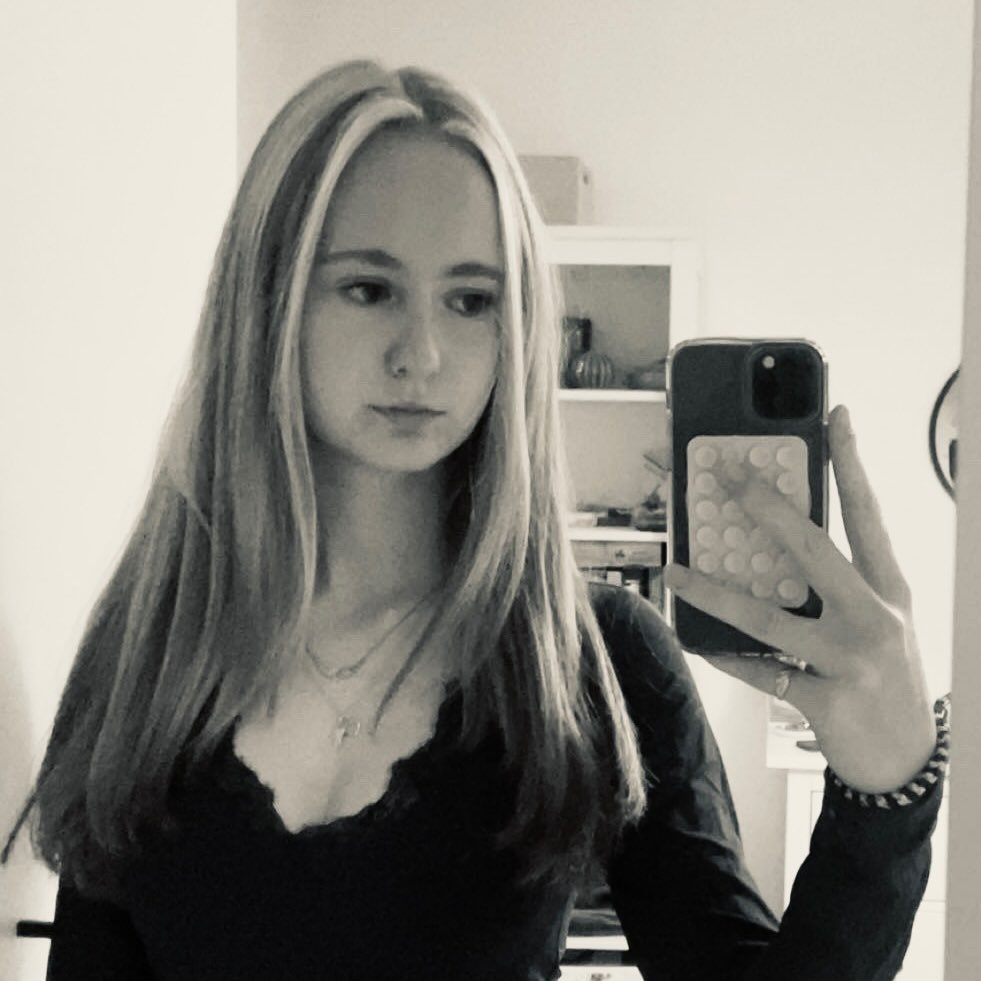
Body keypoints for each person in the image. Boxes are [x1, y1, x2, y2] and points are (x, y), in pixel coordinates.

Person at [3, 59, 948, 980]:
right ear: (266, 301)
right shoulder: (148, 647)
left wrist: (885, 788)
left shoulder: (597, 662)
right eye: (368, 287)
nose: (422, 352)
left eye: (470, 300)